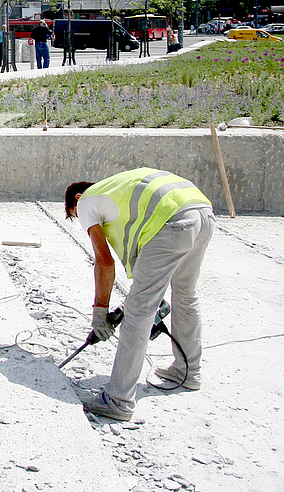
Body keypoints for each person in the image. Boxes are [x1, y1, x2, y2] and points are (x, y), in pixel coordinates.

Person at [64, 168, 214, 421]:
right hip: (202, 213)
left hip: (172, 222)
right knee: (186, 294)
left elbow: (104, 262)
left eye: (75, 216)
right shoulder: (116, 189)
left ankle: (118, 400)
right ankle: (188, 372)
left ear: (77, 199)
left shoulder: (88, 200)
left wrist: (100, 313)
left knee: (140, 310)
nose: (83, 223)